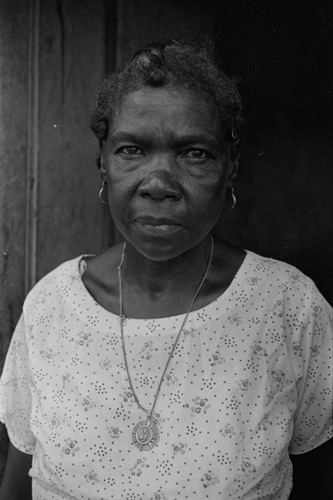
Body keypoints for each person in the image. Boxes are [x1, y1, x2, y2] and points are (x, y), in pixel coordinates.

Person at [0, 39, 332, 500]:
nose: (158, 183)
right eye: (132, 150)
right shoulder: (50, 308)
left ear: (231, 167)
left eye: (194, 153)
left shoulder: (289, 308)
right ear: (103, 162)